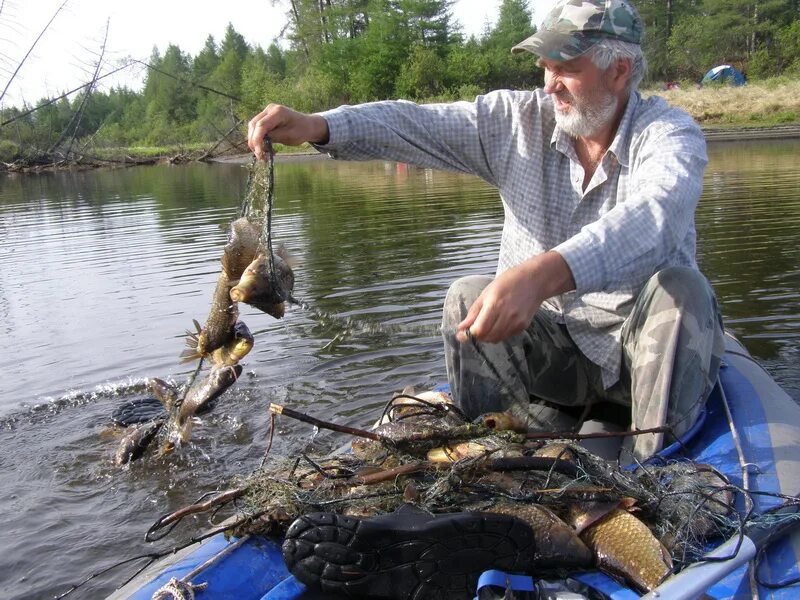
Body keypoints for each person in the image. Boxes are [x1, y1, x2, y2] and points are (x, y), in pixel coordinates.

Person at [250, 0, 726, 595]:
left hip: (641, 361)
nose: (549, 83)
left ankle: (652, 488)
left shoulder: (669, 134)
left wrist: (543, 274)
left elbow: (656, 215)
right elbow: (413, 123)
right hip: (561, 359)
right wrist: (320, 126)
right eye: (544, 67)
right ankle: (492, 481)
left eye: (566, 67)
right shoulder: (515, 122)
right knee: (466, 296)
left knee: (681, 292)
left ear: (619, 70)